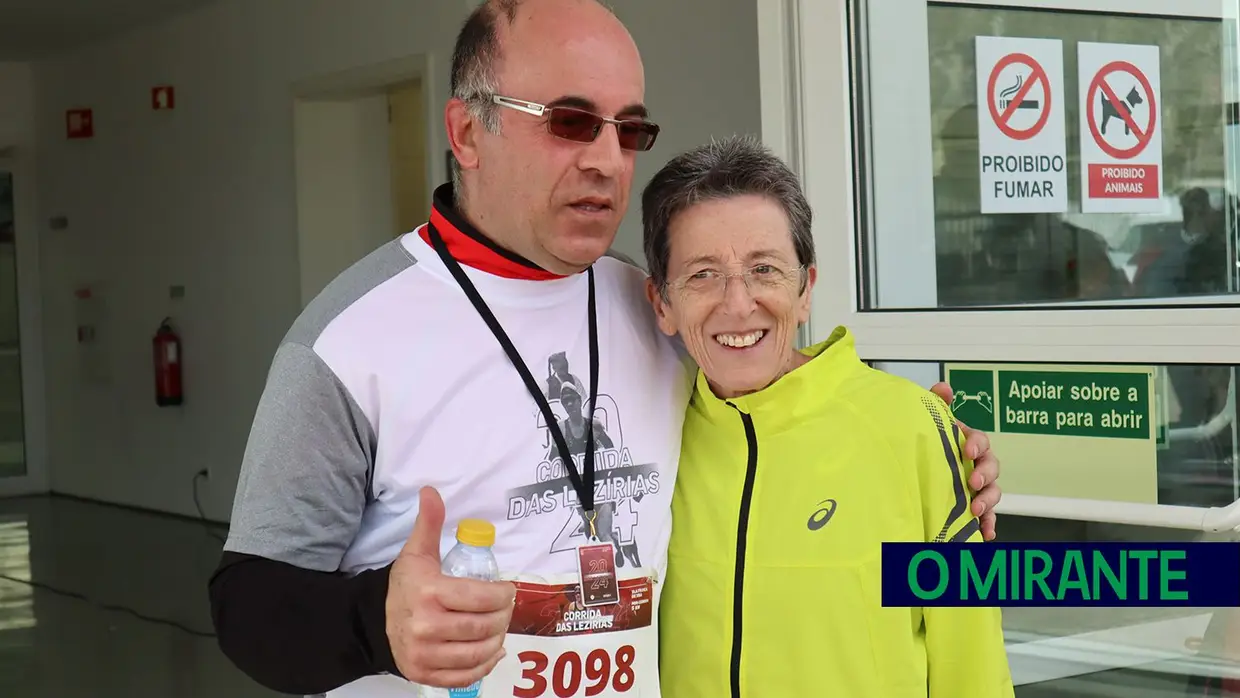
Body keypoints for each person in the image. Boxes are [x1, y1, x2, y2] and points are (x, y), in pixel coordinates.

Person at [207, 1, 1004, 697]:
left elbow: (772, 407)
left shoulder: (650, 305)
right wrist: (376, 620)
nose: (606, 159)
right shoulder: (350, 338)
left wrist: (926, 447)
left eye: (630, 130)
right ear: (466, 131)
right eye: (569, 121)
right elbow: (246, 608)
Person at [643, 136, 1014, 697]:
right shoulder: (648, 434)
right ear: (661, 304)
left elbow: (974, 666)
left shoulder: (912, 428)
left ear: (806, 288)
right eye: (702, 274)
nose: (738, 303)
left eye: (764, 269)